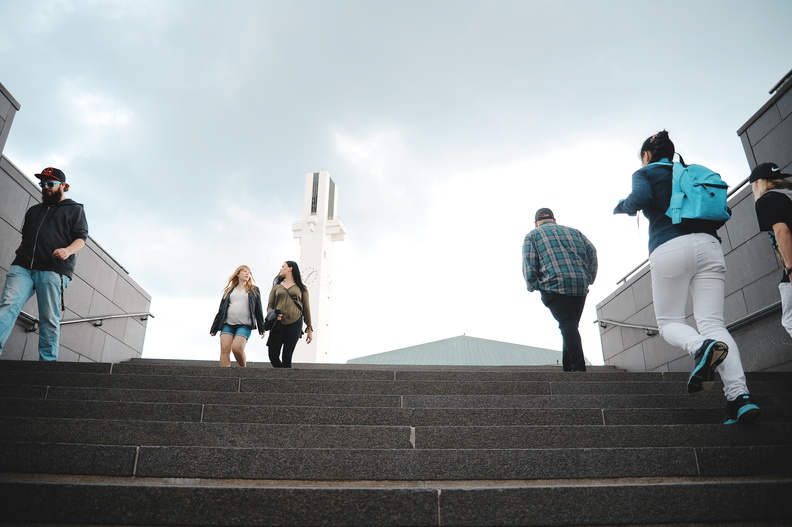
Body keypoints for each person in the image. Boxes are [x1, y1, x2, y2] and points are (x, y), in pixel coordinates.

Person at [614, 130, 760, 425]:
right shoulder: (690, 171)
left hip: (669, 246)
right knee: (713, 324)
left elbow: (640, 198)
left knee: (669, 323)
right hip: (709, 246)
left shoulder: (646, 172)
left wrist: (623, 207)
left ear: (646, 155)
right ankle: (739, 398)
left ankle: (700, 348)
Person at [0, 167, 89, 361]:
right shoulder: (33, 211)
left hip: (53, 269)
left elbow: (81, 238)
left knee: (49, 317)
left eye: (50, 183)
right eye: (42, 184)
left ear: (63, 186)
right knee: (7, 305)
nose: (45, 187)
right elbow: (26, 237)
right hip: (23, 267)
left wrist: (67, 251)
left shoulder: (75, 209)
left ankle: (47, 364)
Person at [522, 208, 598, 372]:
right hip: (579, 284)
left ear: (536, 223)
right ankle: (568, 367)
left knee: (567, 323)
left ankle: (579, 367)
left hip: (554, 285)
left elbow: (529, 262)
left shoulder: (533, 235)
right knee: (570, 324)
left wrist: (534, 284)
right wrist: (588, 277)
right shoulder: (575, 232)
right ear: (554, 219)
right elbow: (592, 251)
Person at [750, 162, 792, 339]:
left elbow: (783, 231)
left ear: (758, 183)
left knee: (790, 320)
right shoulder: (788, 195)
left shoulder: (766, 200)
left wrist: (790, 268)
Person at [209, 265, 265, 367]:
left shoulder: (254, 290)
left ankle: (243, 370)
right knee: (225, 349)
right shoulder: (229, 290)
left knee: (237, 348)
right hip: (227, 323)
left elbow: (258, 310)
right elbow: (221, 310)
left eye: (249, 272)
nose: (247, 273)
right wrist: (214, 328)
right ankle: (225, 377)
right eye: (244, 271)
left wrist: (262, 327)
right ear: (238, 274)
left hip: (245, 324)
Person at [266, 261, 313, 368]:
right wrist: (272, 315)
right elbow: (270, 306)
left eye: (283, 266)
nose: (280, 269)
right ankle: (283, 376)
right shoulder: (276, 287)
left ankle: (285, 381)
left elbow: (306, 309)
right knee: (273, 355)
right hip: (277, 324)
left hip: (295, 323)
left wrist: (309, 328)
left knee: (287, 356)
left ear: (290, 268)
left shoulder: (302, 288)